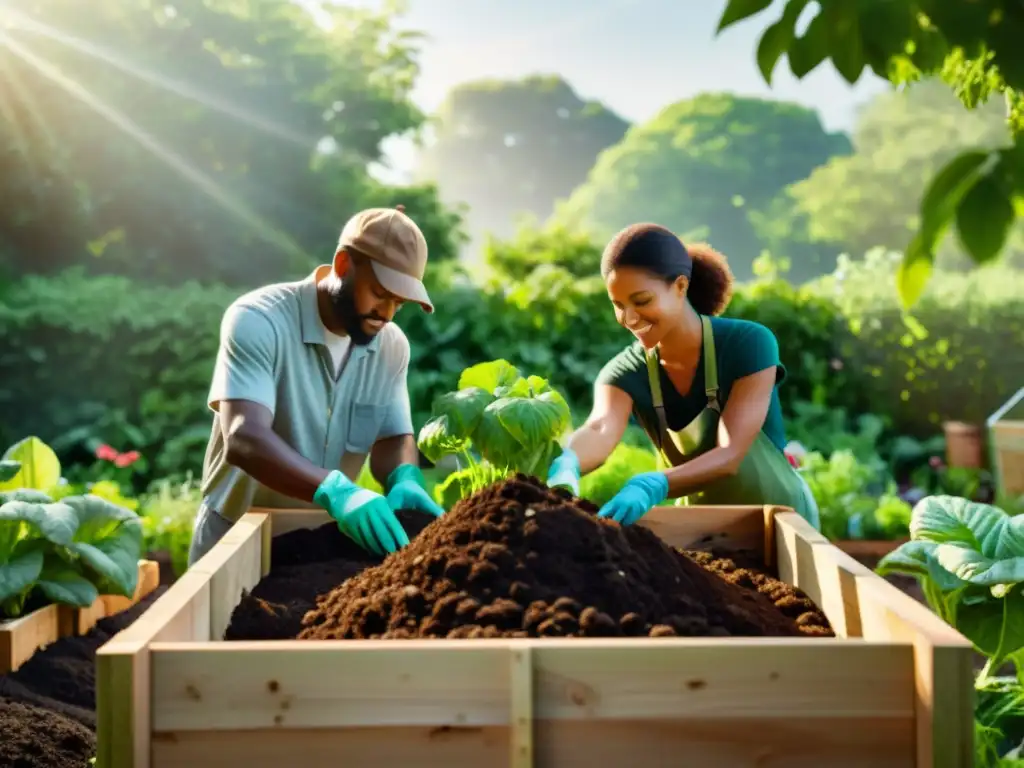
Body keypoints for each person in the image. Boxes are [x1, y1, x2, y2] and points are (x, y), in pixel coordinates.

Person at [187, 205, 445, 566]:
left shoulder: (391, 346)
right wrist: (335, 490)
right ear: (343, 265)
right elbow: (244, 437)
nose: (385, 312)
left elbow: (392, 436)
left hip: (323, 547)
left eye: (398, 303)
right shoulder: (260, 320)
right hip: (233, 538)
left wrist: (405, 476)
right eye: (379, 292)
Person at [546, 222, 820, 529]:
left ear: (680, 286)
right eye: (618, 305)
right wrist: (568, 462)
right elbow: (600, 427)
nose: (629, 318)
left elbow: (729, 454)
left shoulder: (748, 343)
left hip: (781, 524)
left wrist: (653, 485)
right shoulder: (626, 371)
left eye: (641, 301)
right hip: (701, 529)